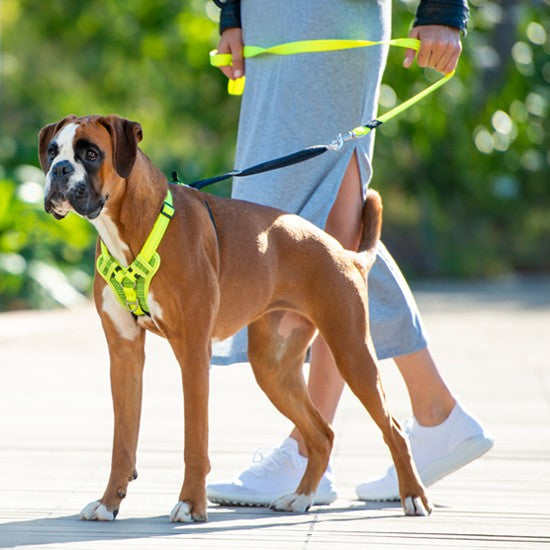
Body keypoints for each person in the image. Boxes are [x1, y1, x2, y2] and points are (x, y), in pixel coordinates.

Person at [207, 0, 493, 506]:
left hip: (328, 18)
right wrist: (233, 12)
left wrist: (444, 8)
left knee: (289, 229)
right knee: (326, 225)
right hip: (273, 22)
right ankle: (433, 413)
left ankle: (309, 450)